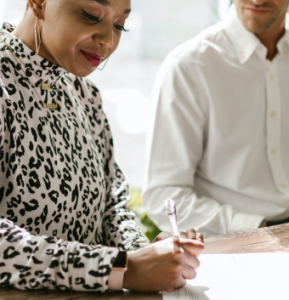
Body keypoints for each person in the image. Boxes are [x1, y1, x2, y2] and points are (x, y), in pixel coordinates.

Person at [0, 0, 204, 293]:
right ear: (38, 3)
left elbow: (111, 205)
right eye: (90, 15)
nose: (108, 40)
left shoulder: (84, 93)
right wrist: (120, 267)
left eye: (120, 25)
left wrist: (143, 252)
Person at [143, 0, 289, 238]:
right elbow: (163, 196)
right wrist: (258, 229)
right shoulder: (188, 66)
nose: (257, 0)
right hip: (237, 243)